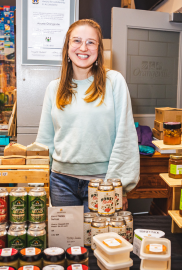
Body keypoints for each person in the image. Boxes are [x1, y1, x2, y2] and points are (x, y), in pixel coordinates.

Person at [36, 19, 140, 212]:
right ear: (67, 47)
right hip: (61, 183)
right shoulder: (54, 88)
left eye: (91, 42)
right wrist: (39, 183)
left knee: (100, 241)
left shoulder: (114, 82)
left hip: (104, 182)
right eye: (76, 41)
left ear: (99, 50)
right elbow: (45, 141)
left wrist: (120, 187)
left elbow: (125, 137)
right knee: (67, 242)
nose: (83, 47)